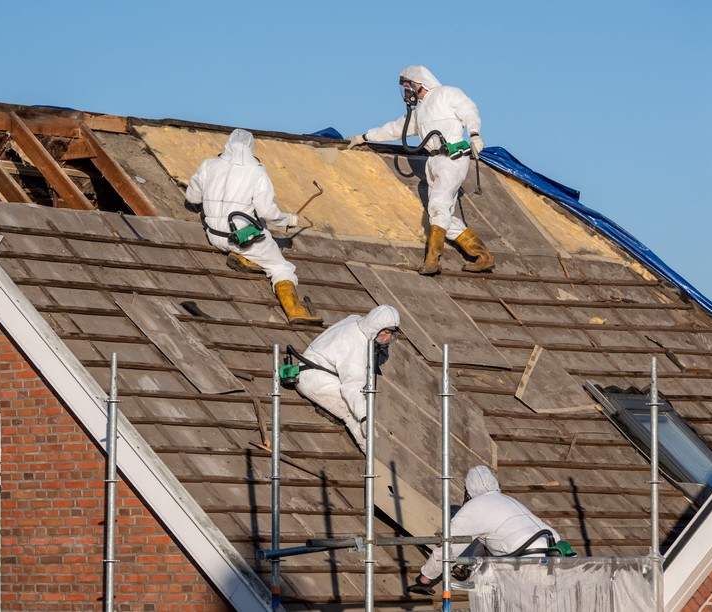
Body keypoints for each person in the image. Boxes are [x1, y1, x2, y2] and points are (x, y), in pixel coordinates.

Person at [346, 66, 494, 276]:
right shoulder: (420, 111)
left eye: (408, 86)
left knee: (438, 205)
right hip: (432, 160)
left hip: (452, 157)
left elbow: (469, 110)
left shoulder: (446, 93)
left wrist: (475, 135)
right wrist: (365, 137)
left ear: (420, 84)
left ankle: (432, 260)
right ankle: (483, 256)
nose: (406, 92)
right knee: (442, 215)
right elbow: (396, 129)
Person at [186, 129, 321, 325]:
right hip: (242, 239)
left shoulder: (209, 165)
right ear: (251, 148)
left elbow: (192, 198)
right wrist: (288, 220)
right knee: (281, 267)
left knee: (256, 241)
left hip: (214, 235)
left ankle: (245, 259)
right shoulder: (257, 172)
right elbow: (266, 212)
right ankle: (296, 311)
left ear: (227, 144)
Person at [407, 465, 560, 596]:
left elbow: (448, 547)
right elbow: (487, 543)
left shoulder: (475, 506)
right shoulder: (507, 500)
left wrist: (425, 579)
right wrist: (470, 566)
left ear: (469, 490)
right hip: (557, 554)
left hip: (527, 561)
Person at [295, 305, 400, 453]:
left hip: (315, 370)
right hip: (316, 379)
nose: (386, 338)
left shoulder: (356, 321)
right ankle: (374, 457)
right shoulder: (355, 345)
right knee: (353, 414)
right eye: (385, 332)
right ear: (375, 327)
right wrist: (364, 417)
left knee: (360, 404)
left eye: (391, 334)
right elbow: (352, 386)